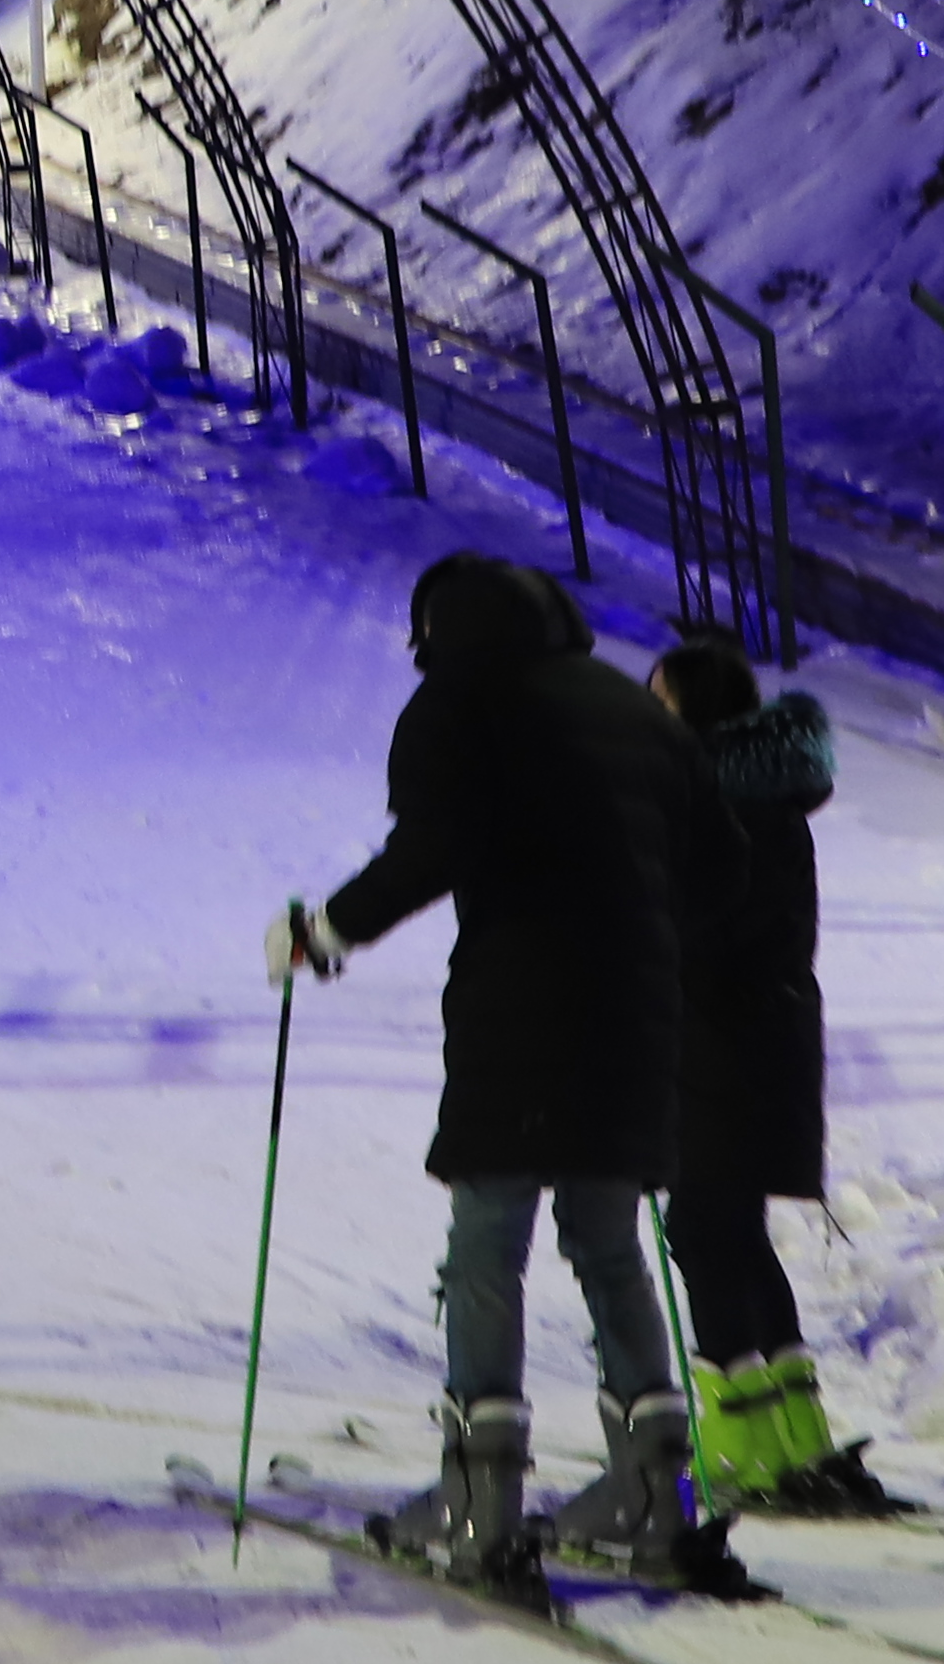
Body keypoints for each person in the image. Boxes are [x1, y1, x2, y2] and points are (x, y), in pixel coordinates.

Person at [264, 554, 724, 1585]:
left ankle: (481, 1499)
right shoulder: (632, 708)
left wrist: (324, 929)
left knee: (487, 1246)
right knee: (608, 1242)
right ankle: (656, 1488)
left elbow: (429, 850)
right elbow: (722, 860)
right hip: (640, 1021)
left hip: (522, 1018)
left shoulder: (460, 709)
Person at [644, 639, 902, 1518]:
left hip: (719, 1039)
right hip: (772, 1037)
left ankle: (739, 1443)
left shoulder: (714, 806)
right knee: (735, 1233)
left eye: (659, 698)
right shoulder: (773, 801)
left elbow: (699, 931)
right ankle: (797, 1434)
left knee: (703, 1231)